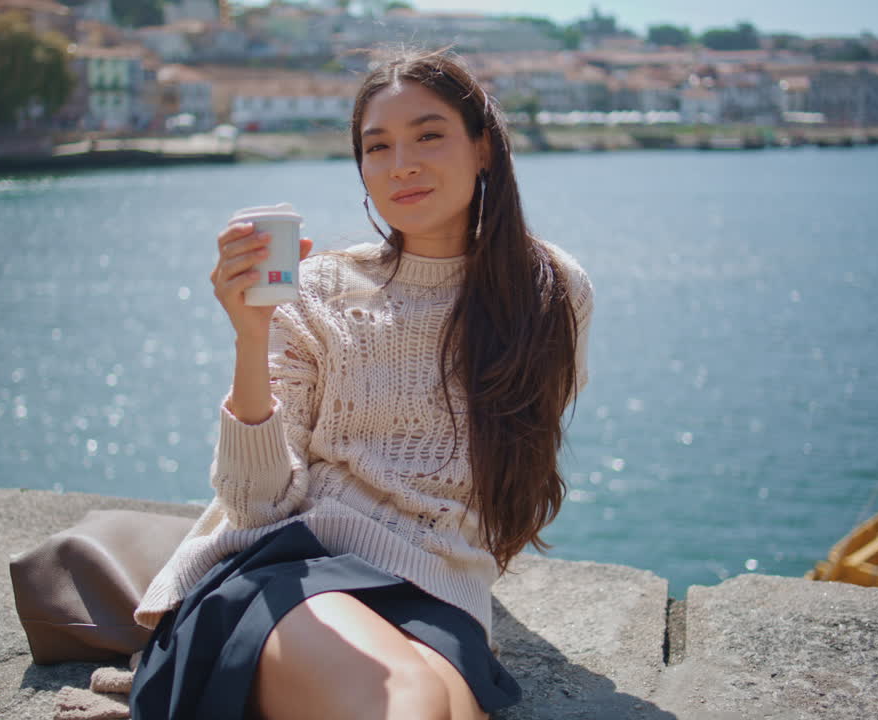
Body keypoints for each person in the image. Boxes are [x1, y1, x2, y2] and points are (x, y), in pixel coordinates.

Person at [130, 48, 594, 720]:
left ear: (484, 148)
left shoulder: (552, 291)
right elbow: (256, 507)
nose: (401, 163)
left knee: (440, 707)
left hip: (439, 591)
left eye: (428, 135)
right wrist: (251, 338)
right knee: (405, 700)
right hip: (295, 566)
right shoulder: (318, 290)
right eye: (377, 147)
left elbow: (516, 465)